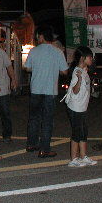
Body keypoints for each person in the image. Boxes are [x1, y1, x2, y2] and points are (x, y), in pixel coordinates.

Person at [24, 25, 69, 158]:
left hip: (35, 89)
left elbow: (27, 68)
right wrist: (53, 69)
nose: (37, 38)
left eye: (38, 36)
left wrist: (38, 68)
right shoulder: (58, 52)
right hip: (50, 90)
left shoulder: (34, 51)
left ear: (42, 36)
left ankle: (31, 144)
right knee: (47, 120)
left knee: (34, 118)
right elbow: (65, 71)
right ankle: (45, 149)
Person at [64, 46, 97, 167]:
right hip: (75, 107)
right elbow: (75, 90)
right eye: (90, 57)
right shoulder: (77, 72)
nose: (91, 59)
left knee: (83, 132)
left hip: (82, 107)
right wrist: (78, 79)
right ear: (83, 58)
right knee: (77, 133)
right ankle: (73, 159)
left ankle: (83, 156)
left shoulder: (84, 70)